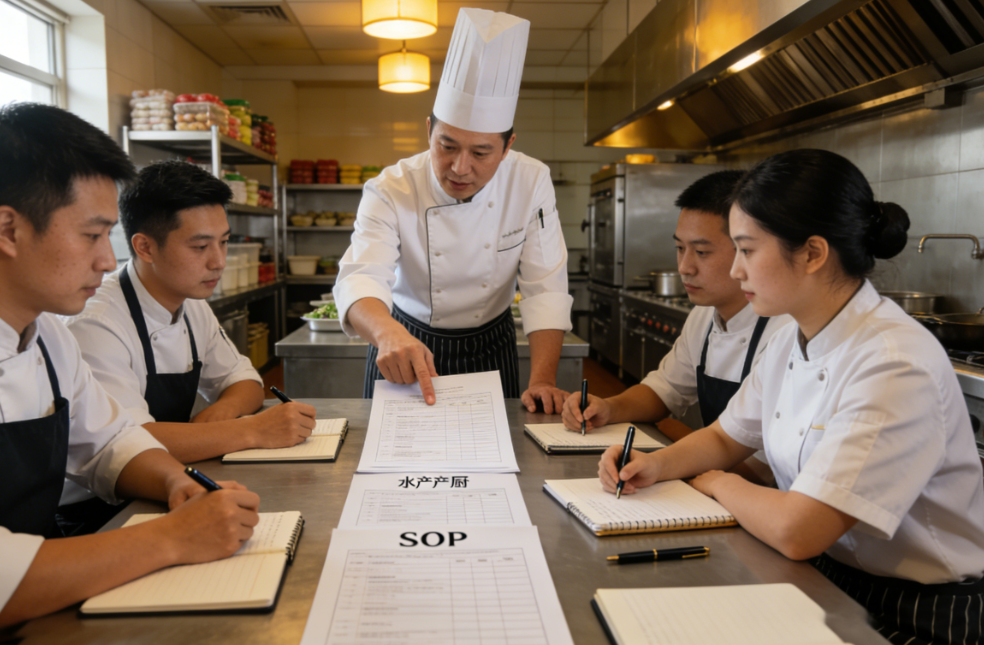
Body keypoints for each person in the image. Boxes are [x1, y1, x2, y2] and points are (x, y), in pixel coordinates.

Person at [599, 149, 984, 645]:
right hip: (829, 576)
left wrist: (717, 482)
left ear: (812, 253)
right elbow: (724, 437)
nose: (736, 272)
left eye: (746, 250)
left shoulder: (893, 362)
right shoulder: (791, 338)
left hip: (918, 612)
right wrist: (654, 464)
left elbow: (799, 530)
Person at [0, 103, 260, 627]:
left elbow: (110, 442)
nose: (105, 260)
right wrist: (172, 537)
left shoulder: (49, 336)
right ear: (8, 229)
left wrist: (176, 483)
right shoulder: (90, 321)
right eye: (91, 235)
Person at [333, 8, 573, 412]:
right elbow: (360, 276)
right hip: (403, 342)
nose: (460, 168)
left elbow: (545, 287)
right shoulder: (392, 187)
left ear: (508, 146)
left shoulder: (530, 180)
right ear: (429, 130)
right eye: (447, 146)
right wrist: (387, 333)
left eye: (481, 153)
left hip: (490, 344)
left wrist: (544, 380)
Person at [67, 161, 316, 468]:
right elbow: (128, 443)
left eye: (224, 242)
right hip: (101, 496)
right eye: (200, 246)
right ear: (145, 247)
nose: (219, 261)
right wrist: (253, 430)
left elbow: (245, 381)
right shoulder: (97, 324)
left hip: (170, 474)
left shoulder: (192, 305)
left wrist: (221, 414)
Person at [563, 170, 790, 482]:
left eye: (702, 252)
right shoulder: (703, 315)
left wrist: (670, 456)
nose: (684, 267)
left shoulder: (785, 332)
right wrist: (607, 408)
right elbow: (666, 389)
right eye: (680, 248)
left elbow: (760, 469)